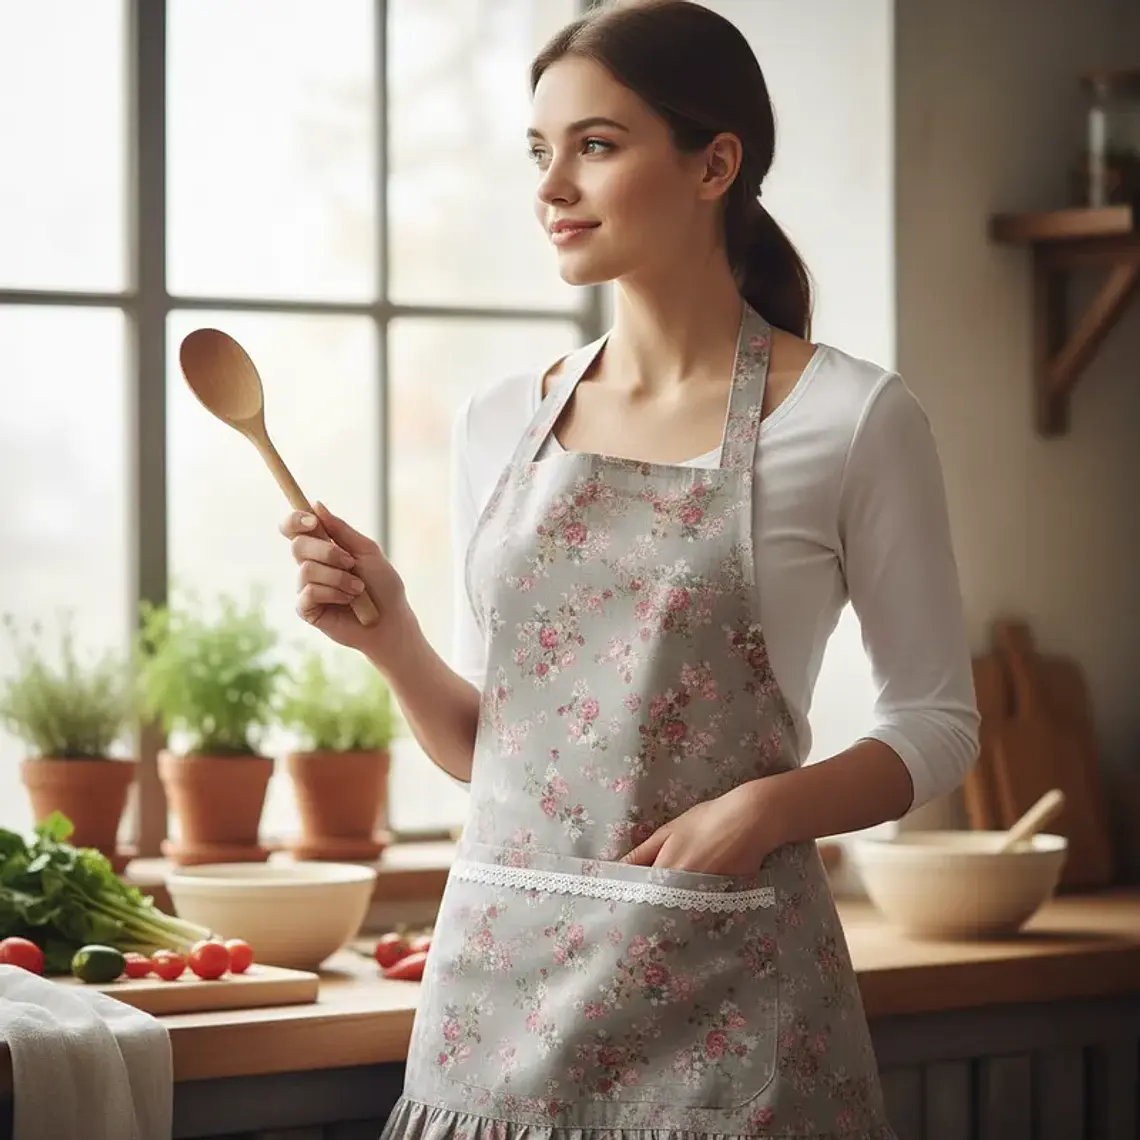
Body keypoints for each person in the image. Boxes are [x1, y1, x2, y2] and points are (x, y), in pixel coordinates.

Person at [279, 2, 980, 1136]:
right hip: (494, 1018)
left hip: (731, 1000)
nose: (553, 185)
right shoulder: (499, 420)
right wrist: (390, 638)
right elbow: (495, 755)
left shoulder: (851, 418)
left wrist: (763, 809)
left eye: (596, 146)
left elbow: (939, 724)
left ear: (715, 164)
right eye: (540, 152)